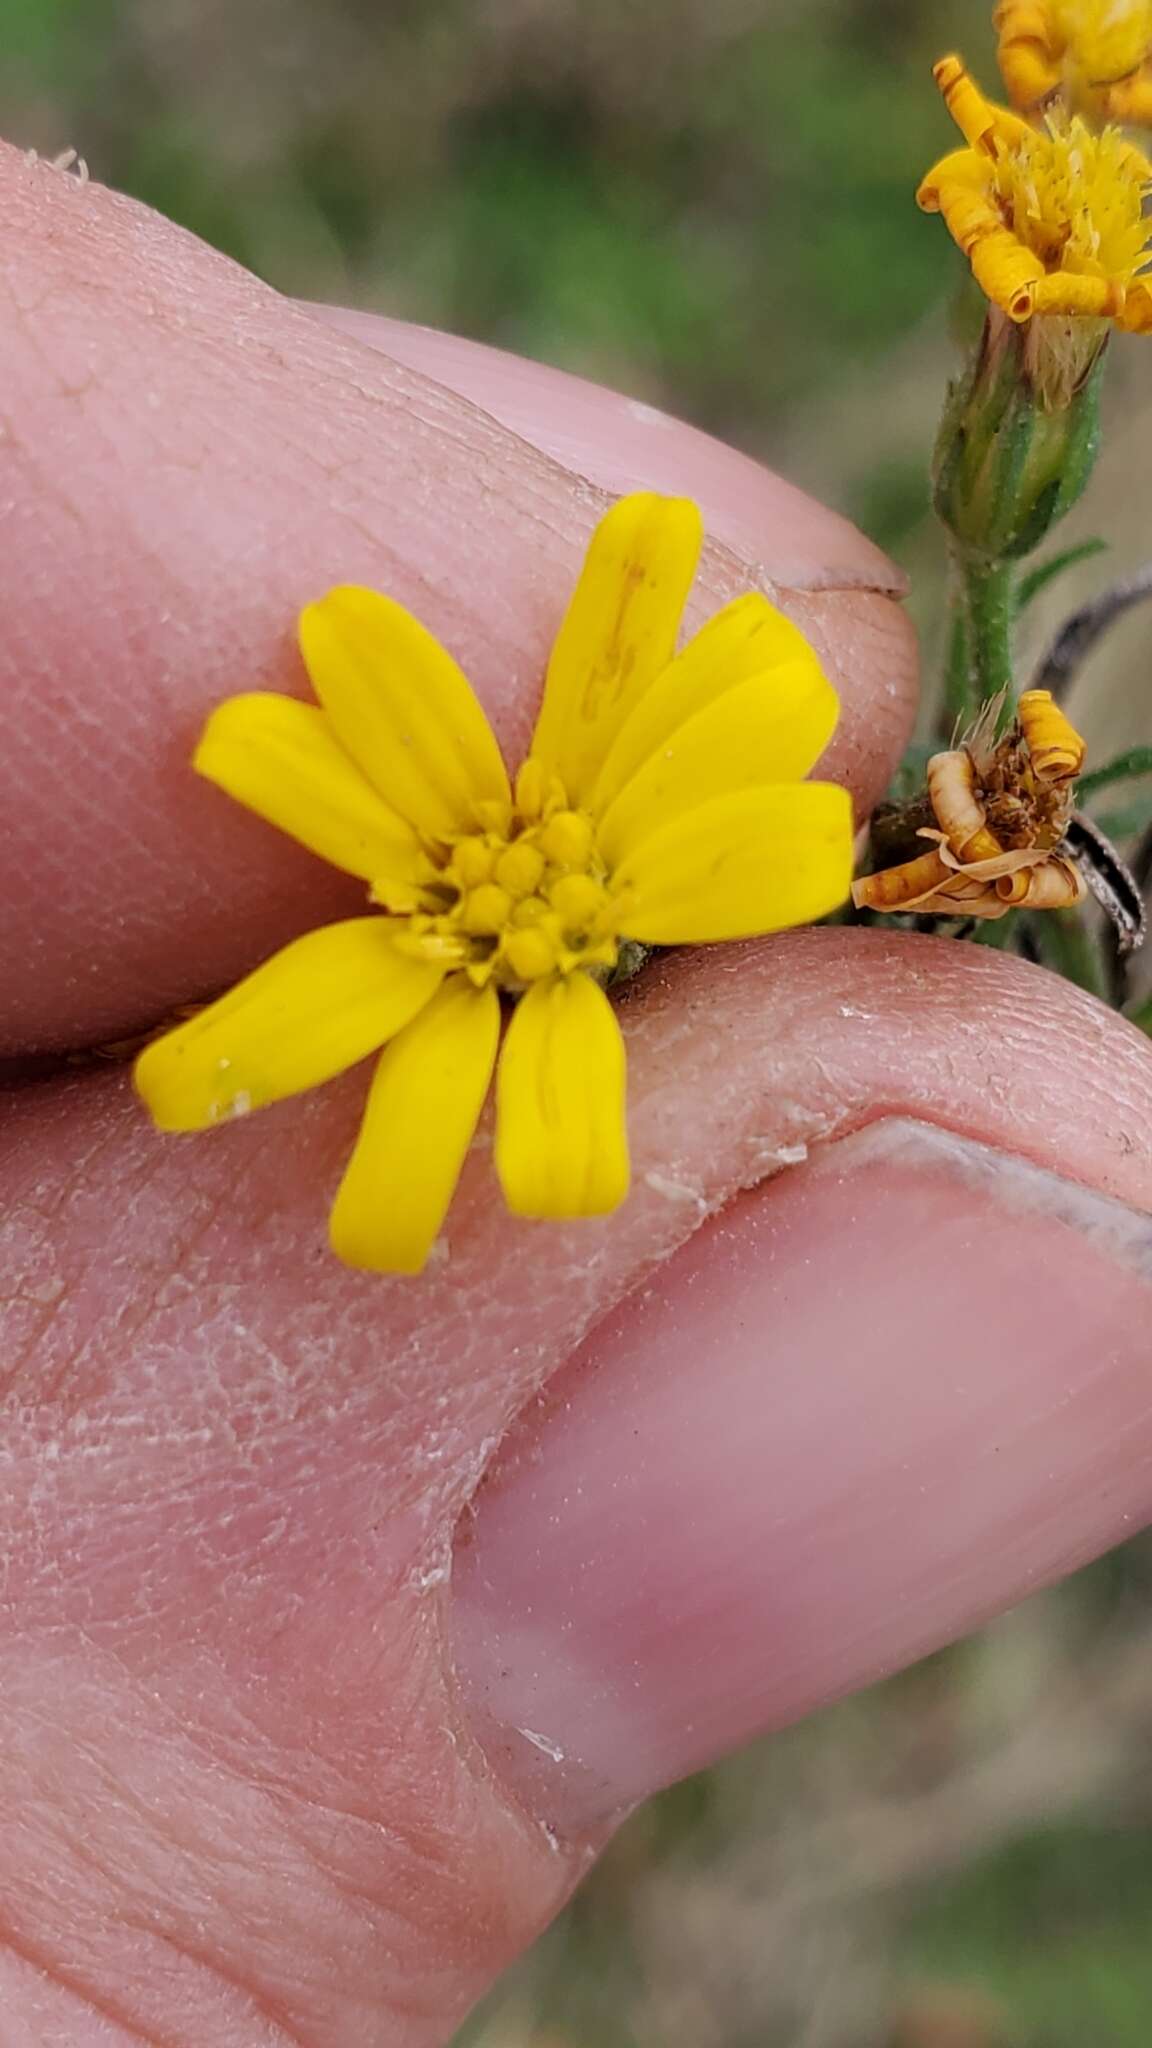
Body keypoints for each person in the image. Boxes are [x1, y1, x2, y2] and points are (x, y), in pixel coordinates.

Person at [3, 138, 1152, 2048]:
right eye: (487, 878)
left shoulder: (651, 834)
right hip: (552, 938)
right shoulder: (530, 886)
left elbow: (756, 769)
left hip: (612, 895)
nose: (504, 881)